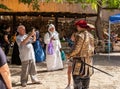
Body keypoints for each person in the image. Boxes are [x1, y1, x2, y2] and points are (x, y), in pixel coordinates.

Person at [66, 20, 94, 89]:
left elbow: (76, 49)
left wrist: (69, 55)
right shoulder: (91, 36)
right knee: (86, 85)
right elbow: (93, 49)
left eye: (77, 26)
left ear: (79, 26)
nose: (77, 28)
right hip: (89, 62)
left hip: (79, 63)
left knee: (78, 84)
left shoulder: (80, 35)